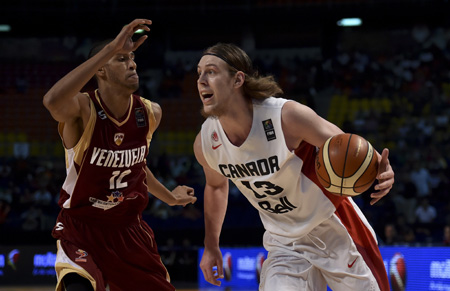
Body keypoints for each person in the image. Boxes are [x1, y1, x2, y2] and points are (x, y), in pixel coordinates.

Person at [193, 43, 395, 291]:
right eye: (199, 72)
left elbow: (346, 145)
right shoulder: (206, 143)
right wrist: (211, 245)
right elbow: (215, 186)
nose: (201, 80)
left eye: (211, 71)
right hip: (284, 243)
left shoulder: (284, 116)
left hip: (334, 227)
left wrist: (380, 167)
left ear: (237, 80)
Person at [43, 19, 196, 291]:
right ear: (100, 69)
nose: (133, 64)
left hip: (129, 230)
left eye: (132, 58)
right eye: (122, 59)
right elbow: (52, 101)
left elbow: (137, 166)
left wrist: (170, 197)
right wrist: (111, 46)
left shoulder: (150, 113)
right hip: (83, 228)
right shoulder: (82, 110)